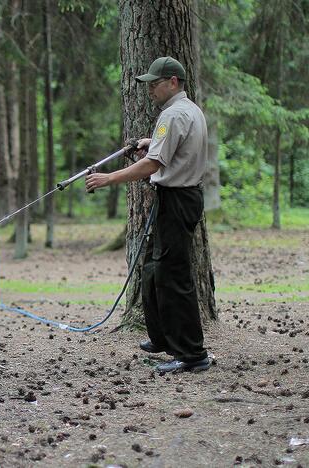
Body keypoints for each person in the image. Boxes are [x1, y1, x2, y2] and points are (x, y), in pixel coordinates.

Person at [85, 56, 212, 373]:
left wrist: (109, 178)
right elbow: (170, 149)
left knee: (175, 277)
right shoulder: (188, 111)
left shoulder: (173, 115)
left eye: (154, 84)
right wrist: (149, 141)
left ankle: (192, 354)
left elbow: (153, 164)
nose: (149, 90)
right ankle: (163, 338)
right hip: (179, 197)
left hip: (178, 199)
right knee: (154, 268)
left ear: (172, 82)